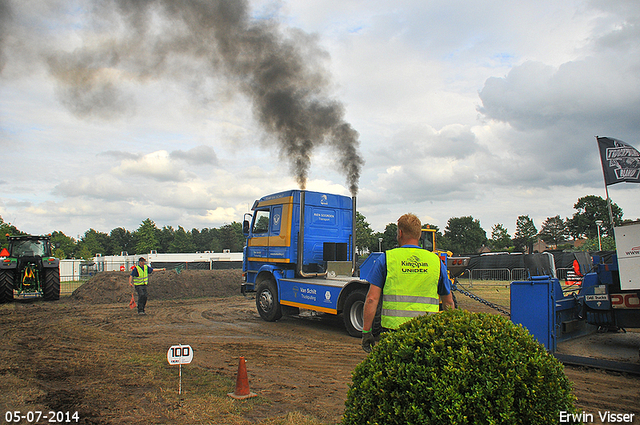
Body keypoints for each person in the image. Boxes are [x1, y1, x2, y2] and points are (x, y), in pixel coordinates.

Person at [361, 213, 455, 353]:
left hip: (392, 332)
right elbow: (448, 303)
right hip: (427, 333)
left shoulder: (386, 259)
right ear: (419, 235)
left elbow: (371, 299)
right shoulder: (436, 262)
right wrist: (450, 331)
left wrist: (366, 332)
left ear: (400, 233)